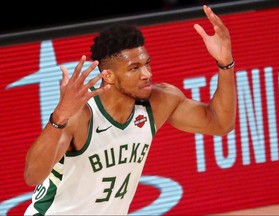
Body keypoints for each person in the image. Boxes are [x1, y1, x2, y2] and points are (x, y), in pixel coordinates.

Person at [24, 5, 236, 215]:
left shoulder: (159, 101)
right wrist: (60, 115)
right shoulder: (80, 117)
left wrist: (225, 63)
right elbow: (32, 176)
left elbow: (220, 124)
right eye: (134, 68)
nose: (147, 74)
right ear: (108, 76)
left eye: (147, 64)